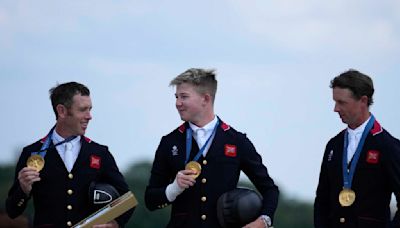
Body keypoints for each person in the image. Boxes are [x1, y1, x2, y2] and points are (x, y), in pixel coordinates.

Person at [145, 68, 279, 228]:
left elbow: (270, 190)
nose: (177, 103)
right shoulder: (169, 142)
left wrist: (263, 221)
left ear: (205, 99)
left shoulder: (237, 141)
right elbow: (150, 200)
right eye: (176, 97)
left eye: (184, 97)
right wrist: (174, 188)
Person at [6, 82, 133, 227]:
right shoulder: (32, 153)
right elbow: (12, 211)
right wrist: (23, 190)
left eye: (90, 109)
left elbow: (126, 201)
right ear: (62, 111)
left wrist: (114, 224)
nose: (89, 116)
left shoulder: (100, 153)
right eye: (83, 110)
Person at [314, 70, 400, 227]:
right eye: (335, 102)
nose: (336, 109)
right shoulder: (334, 145)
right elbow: (322, 200)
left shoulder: (387, 146)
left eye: (342, 102)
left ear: (363, 101)